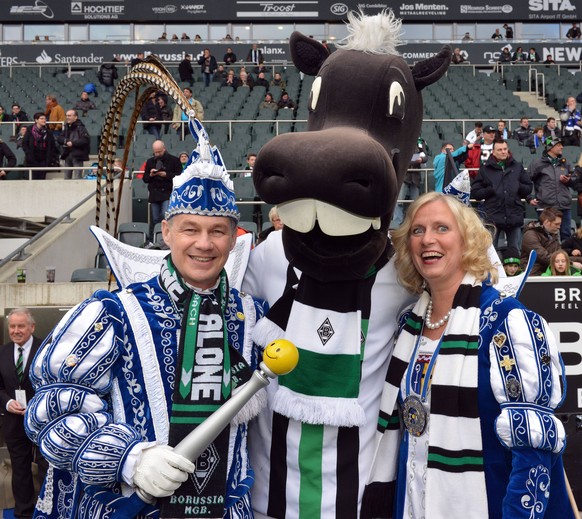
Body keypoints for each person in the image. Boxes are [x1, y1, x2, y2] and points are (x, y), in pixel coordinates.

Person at [25, 123, 268, 519]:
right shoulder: (112, 313)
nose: (204, 243)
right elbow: (49, 411)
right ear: (167, 232)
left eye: (217, 232)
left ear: (234, 237)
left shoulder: (253, 317)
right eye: (190, 229)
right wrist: (130, 459)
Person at [362, 192, 572, 518]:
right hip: (415, 502)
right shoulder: (408, 325)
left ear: (469, 241)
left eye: (441, 228)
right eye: (417, 230)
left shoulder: (506, 320)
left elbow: (534, 452)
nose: (427, 239)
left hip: (490, 503)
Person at [0, 308, 45, 519]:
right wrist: (8, 402)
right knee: (20, 471)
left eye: (21, 326)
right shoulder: (2, 352)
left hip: (43, 421)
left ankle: (50, 510)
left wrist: (37, 405)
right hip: (14, 422)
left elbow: (54, 385)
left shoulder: (47, 349)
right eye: (12, 326)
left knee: (48, 468)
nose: (16, 330)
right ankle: (24, 513)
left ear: (32, 327)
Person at [471, 139, 532, 251]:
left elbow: (528, 188)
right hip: (493, 216)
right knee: (491, 252)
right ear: (493, 152)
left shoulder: (517, 167)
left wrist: (517, 186)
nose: (503, 152)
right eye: (500, 150)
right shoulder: (485, 169)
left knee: (515, 251)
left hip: (514, 215)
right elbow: (475, 192)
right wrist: (490, 190)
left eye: (505, 149)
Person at [528, 136, 576, 240]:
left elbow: (576, 182)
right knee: (545, 237)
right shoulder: (537, 163)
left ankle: (564, 256)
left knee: (566, 236)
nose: (562, 147)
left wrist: (569, 181)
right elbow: (526, 181)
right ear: (550, 147)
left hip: (564, 206)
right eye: (558, 145)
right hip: (545, 207)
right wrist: (528, 198)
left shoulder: (566, 163)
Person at [143, 139, 182, 228]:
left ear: (164, 149)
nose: (157, 154)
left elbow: (180, 176)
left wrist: (166, 175)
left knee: (166, 216)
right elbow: (145, 179)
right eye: (155, 152)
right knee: (156, 218)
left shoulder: (174, 160)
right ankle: (157, 235)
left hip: (167, 193)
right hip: (154, 194)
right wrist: (151, 175)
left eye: (159, 152)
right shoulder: (150, 161)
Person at [392, 138, 429, 228]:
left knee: (415, 201)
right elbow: (398, 157)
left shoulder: (420, 142)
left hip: (415, 177)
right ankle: (397, 223)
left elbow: (425, 157)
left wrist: (421, 159)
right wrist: (412, 161)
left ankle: (414, 222)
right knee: (399, 201)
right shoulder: (402, 141)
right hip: (404, 176)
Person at [520, 207, 563, 275]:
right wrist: (570, 262)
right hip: (533, 274)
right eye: (556, 224)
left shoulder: (554, 234)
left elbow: (560, 255)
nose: (559, 227)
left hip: (550, 272)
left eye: (560, 224)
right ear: (546, 222)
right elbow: (543, 257)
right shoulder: (530, 235)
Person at [22, 112, 57, 180]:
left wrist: (49, 158)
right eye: (41, 118)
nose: (44, 120)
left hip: (44, 160)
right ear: (36, 120)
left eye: (45, 118)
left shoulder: (48, 132)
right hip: (32, 159)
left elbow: (52, 146)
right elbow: (25, 144)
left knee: (41, 179)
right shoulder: (30, 130)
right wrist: (28, 154)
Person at [59, 109, 90, 180]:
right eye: (66, 115)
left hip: (78, 155)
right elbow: (60, 138)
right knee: (66, 177)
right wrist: (66, 141)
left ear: (75, 117)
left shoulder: (81, 128)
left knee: (77, 177)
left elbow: (85, 140)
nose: (67, 117)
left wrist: (73, 143)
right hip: (67, 154)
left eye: (69, 115)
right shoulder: (66, 127)